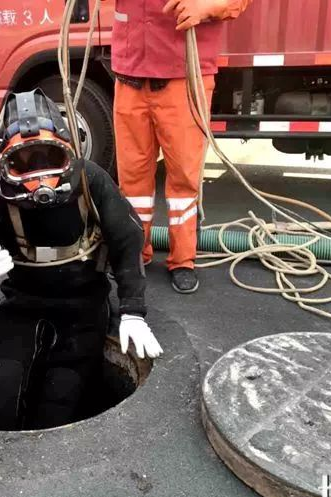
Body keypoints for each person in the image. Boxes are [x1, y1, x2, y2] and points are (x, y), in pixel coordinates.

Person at [0, 90, 163, 430]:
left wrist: (133, 311)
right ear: (3, 161)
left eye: (50, 157)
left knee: (61, 398)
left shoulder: (90, 180)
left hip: (84, 304)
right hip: (22, 303)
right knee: (0, 389)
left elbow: (127, 241)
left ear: (69, 151)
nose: (40, 180)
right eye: (23, 163)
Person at [112, 0, 253, 293]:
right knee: (132, 179)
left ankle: (183, 260)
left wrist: (208, 5)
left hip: (184, 78)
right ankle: (135, 252)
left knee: (184, 177)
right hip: (130, 74)